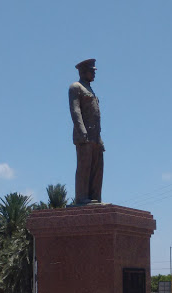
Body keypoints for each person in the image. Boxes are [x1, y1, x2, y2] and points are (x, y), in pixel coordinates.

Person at [69, 59, 105, 205]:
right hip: (84, 135)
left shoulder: (90, 90)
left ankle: (95, 197)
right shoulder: (75, 87)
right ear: (83, 71)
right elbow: (75, 110)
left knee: (97, 168)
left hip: (96, 136)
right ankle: (82, 197)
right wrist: (81, 130)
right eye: (92, 71)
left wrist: (99, 138)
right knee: (84, 167)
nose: (94, 74)